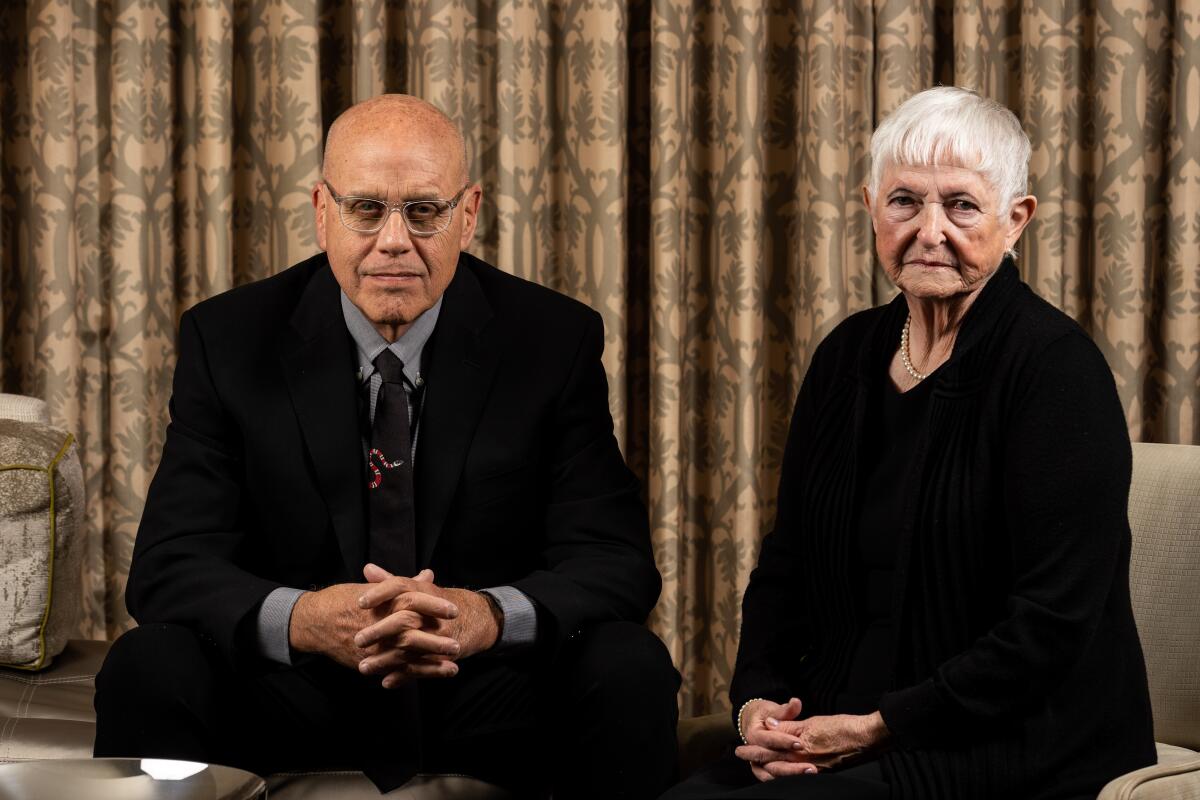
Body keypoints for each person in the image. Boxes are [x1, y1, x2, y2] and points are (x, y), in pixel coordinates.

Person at [94, 94, 680, 799]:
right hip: (294, 688)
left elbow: (614, 562)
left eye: (424, 211)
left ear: (468, 214)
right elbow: (169, 566)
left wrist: (483, 617)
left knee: (630, 663)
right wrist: (307, 620)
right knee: (147, 663)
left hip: (482, 688)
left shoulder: (552, 341)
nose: (394, 240)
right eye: (366, 209)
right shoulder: (228, 340)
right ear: (322, 211)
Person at [662, 87, 1155, 800]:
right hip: (844, 727)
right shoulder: (846, 358)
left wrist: (875, 727)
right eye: (904, 202)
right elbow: (786, 567)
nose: (930, 231)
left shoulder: (1056, 371)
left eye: (960, 204)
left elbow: (1051, 627)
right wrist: (758, 706)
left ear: (1015, 220)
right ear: (870, 208)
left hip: (1009, 745)